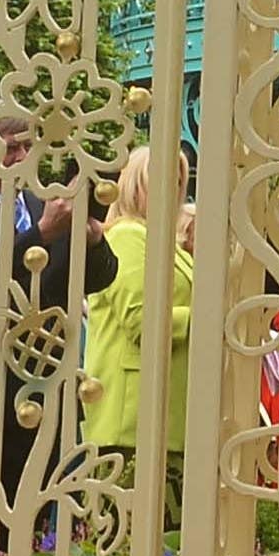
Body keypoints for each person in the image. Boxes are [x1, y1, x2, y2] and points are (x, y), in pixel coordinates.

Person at [0, 99, 119, 556]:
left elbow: (99, 277)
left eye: (26, 147)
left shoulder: (44, 202)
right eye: (7, 147)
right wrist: (39, 234)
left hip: (46, 381)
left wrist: (93, 238)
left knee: (40, 501)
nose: (19, 158)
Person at [79, 146, 193, 499]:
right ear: (132, 186)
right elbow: (143, 322)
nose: (169, 191)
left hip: (163, 410)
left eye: (176, 183)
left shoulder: (162, 240)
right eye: (156, 181)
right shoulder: (128, 235)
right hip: (130, 415)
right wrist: (205, 317)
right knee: (121, 539)